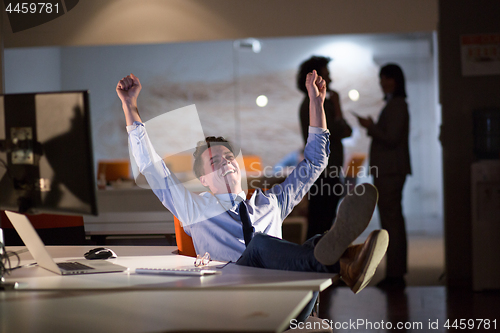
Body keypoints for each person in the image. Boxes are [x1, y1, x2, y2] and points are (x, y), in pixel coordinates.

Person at [116, 72, 388, 298]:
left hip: (286, 295)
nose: (225, 162)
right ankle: (342, 261)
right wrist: (130, 107)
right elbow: (152, 168)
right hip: (231, 297)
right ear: (203, 180)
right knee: (259, 246)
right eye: (214, 161)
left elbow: (315, 162)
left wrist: (317, 103)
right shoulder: (195, 210)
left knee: (289, 245)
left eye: (229, 157)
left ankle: (342, 259)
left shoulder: (270, 202)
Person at [356, 63, 411, 289]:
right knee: (392, 221)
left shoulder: (397, 105)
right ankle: (396, 273)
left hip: (390, 170)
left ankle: (395, 275)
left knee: (392, 223)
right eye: (381, 78)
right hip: (391, 170)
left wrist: (371, 126)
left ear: (395, 81)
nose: (382, 82)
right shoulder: (395, 105)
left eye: (385, 78)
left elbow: (391, 138)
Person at [297, 56, 352, 239]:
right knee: (321, 224)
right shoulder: (318, 105)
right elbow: (343, 130)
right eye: (327, 75)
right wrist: (338, 106)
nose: (331, 80)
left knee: (320, 222)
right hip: (325, 172)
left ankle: (313, 262)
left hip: (325, 170)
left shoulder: (309, 104)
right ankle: (313, 263)